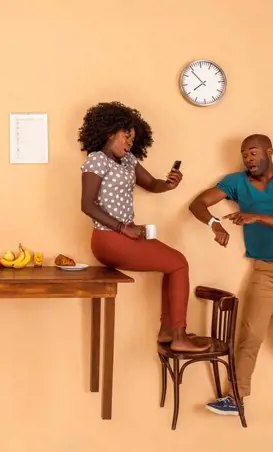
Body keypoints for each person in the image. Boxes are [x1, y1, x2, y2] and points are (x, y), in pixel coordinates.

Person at [189, 134, 273, 429]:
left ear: (269, 152)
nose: (248, 159)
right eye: (244, 154)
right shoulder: (235, 182)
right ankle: (235, 396)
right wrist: (214, 224)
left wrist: (256, 217)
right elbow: (198, 204)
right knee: (250, 335)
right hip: (265, 270)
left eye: (253, 152)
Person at [79, 101, 209, 353]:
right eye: (125, 136)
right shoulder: (96, 160)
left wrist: (169, 184)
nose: (129, 142)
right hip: (109, 237)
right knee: (179, 263)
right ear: (109, 132)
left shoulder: (128, 160)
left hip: (124, 235)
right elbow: (87, 205)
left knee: (173, 264)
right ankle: (179, 335)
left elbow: (151, 184)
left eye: (133, 138)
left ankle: (167, 330)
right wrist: (122, 228)